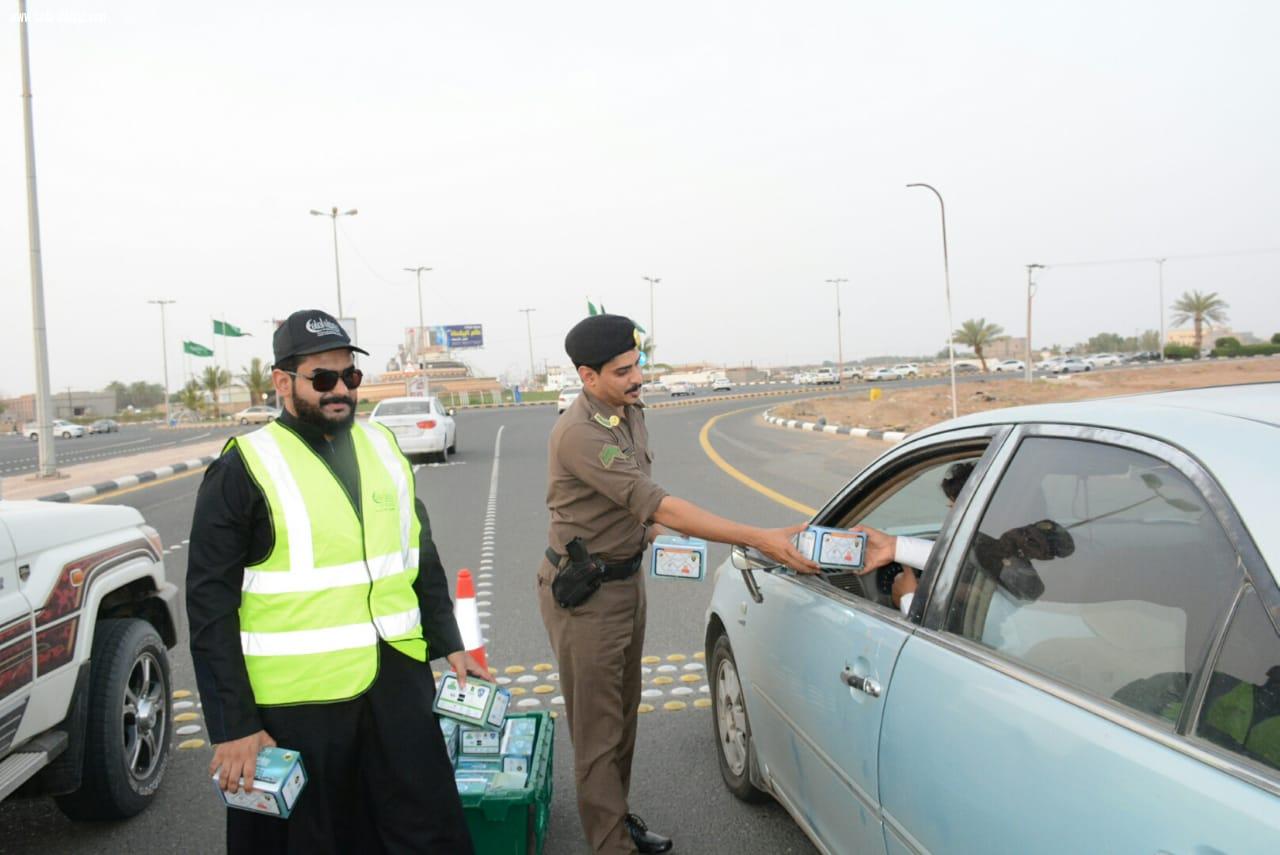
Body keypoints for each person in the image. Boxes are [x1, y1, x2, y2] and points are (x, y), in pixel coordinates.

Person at [186, 309, 487, 854]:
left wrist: (450, 643)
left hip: (397, 684)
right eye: (323, 378)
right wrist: (233, 726)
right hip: (301, 706)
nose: (340, 390)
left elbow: (417, 551)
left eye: (350, 376)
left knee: (426, 831)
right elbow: (209, 606)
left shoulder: (383, 448)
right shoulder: (244, 467)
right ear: (283, 382)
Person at [538, 313, 818, 855]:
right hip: (585, 596)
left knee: (623, 716)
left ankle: (616, 820)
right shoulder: (579, 433)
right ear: (586, 377)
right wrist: (756, 535)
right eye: (621, 371)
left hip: (623, 580)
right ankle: (609, 844)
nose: (636, 377)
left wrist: (685, 535)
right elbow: (657, 502)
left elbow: (640, 512)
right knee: (598, 734)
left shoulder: (626, 410)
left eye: (637, 364)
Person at [852, 461, 976, 615]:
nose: (951, 519)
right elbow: (982, 588)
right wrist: (892, 547)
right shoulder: (1003, 548)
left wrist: (908, 597)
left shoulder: (1003, 550)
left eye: (955, 509)